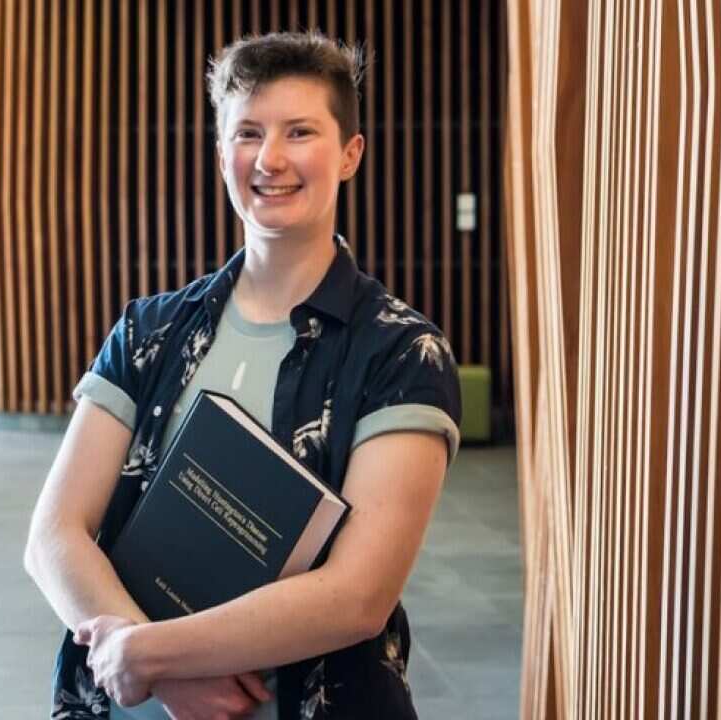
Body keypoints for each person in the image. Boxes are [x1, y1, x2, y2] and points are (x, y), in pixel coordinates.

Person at [25, 31, 461, 720]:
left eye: (300, 131)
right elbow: (54, 535)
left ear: (350, 155)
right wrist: (158, 667)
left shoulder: (400, 353)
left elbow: (358, 596)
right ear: (222, 152)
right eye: (248, 132)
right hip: (136, 701)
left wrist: (152, 653)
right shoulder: (151, 331)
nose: (272, 158)